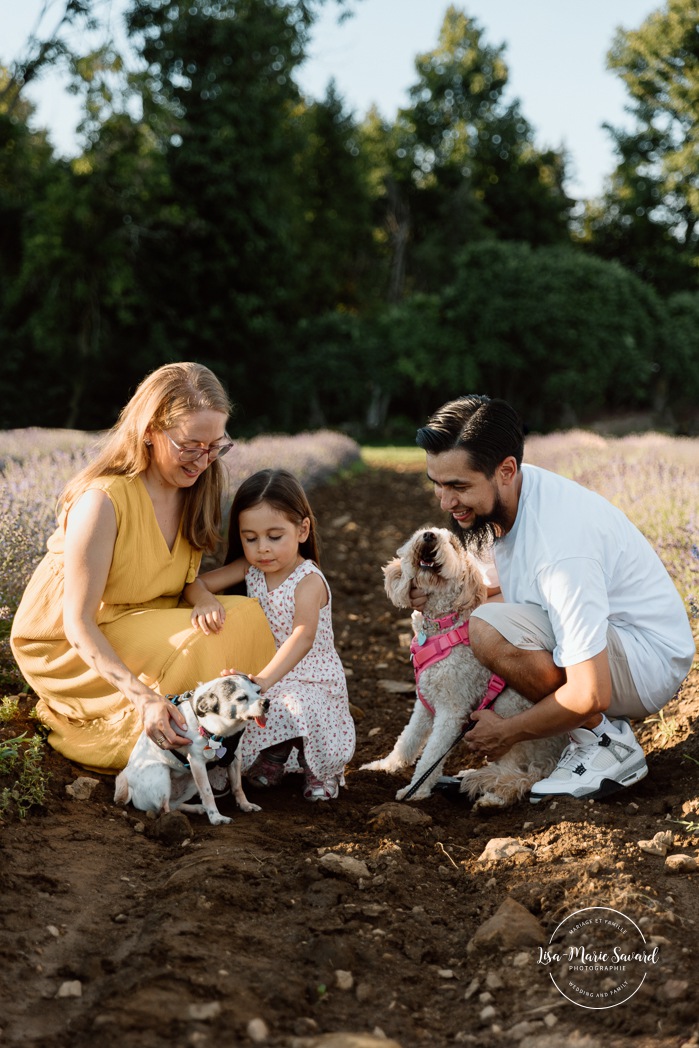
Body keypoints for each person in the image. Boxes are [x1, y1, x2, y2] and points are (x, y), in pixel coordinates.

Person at [413, 394, 696, 802]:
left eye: (458, 487)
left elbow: (588, 693)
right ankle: (563, 745)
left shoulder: (562, 548)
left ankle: (605, 745)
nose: (445, 502)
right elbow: (493, 587)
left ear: (506, 470)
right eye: (438, 485)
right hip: (615, 642)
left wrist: (507, 731)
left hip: (644, 662)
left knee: (488, 629)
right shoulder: (511, 498)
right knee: (480, 615)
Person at [10, 363, 275, 773]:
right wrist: (145, 697)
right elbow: (77, 624)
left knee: (243, 616)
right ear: (150, 431)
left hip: (143, 618)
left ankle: (233, 742)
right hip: (71, 643)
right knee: (195, 643)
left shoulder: (195, 486)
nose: (203, 459)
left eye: (215, 446)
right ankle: (172, 747)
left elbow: (184, 578)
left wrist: (209, 592)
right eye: (190, 445)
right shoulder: (103, 502)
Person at [184, 468, 355, 802]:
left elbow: (303, 636)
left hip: (310, 676)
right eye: (250, 538)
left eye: (274, 537)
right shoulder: (251, 569)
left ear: (302, 529)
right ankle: (271, 757)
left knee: (292, 704)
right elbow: (196, 583)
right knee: (236, 709)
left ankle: (319, 769)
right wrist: (204, 600)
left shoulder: (308, 580)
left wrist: (261, 680)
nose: (262, 549)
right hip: (267, 669)